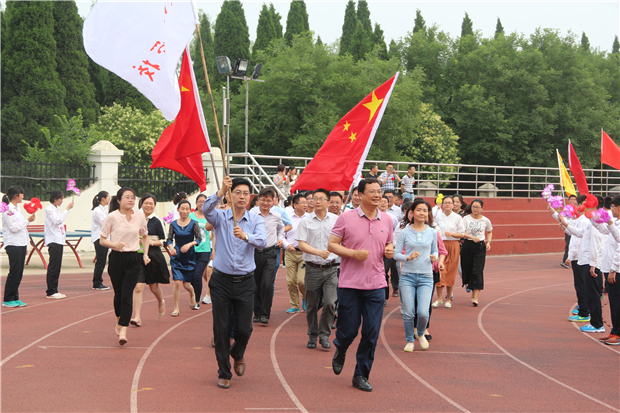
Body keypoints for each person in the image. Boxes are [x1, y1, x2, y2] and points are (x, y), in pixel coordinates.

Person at [328, 177, 394, 392]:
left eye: (379, 191)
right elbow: (332, 245)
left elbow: (389, 243)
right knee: (348, 330)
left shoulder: (387, 220)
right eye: (372, 191)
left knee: (371, 332)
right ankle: (341, 347)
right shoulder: (346, 218)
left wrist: (390, 249)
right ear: (360, 195)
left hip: (376, 283)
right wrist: (354, 253)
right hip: (350, 284)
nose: (377, 195)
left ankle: (361, 374)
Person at [202, 176, 266, 389]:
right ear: (231, 195)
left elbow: (263, 242)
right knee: (221, 329)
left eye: (246, 193)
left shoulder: (255, 219)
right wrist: (220, 191)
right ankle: (224, 372)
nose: (242, 196)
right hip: (221, 281)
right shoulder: (220, 216)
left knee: (244, 329)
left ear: (250, 198)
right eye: (237, 192)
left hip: (245, 282)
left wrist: (246, 236)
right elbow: (206, 210)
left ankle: (238, 353)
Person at [99, 187, 151, 346]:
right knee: (119, 295)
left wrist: (145, 254)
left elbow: (145, 236)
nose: (131, 200)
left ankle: (123, 330)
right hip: (116, 258)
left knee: (127, 294)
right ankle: (119, 320)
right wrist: (115, 244)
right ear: (119, 200)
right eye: (127, 197)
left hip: (133, 258)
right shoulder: (111, 217)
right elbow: (102, 240)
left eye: (133, 197)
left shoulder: (140, 216)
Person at [394, 198, 439, 352]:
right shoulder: (405, 232)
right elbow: (396, 254)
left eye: (425, 210)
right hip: (407, 276)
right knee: (409, 312)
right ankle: (409, 340)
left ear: (428, 213)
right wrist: (408, 257)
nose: (422, 213)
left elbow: (435, 250)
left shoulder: (432, 232)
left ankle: (420, 333)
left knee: (423, 313)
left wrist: (434, 257)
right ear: (412, 213)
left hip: (426, 277)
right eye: (419, 210)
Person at [297, 188, 340, 350]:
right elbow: (302, 244)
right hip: (312, 268)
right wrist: (318, 252)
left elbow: (343, 239)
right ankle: (312, 334)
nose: (317, 201)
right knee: (311, 305)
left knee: (329, 303)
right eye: (315, 198)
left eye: (321, 198)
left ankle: (324, 335)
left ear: (328, 202)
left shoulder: (336, 220)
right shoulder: (305, 221)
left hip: (331, 268)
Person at [558, 195, 605, 333]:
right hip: (585, 260)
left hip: (590, 262)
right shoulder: (591, 222)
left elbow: (596, 244)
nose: (583, 207)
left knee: (592, 294)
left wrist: (593, 264)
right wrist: (565, 224)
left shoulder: (596, 222)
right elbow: (579, 233)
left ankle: (597, 324)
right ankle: (595, 322)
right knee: (590, 293)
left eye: (586, 204)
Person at [550, 195, 590, 321]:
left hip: (580, 257)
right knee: (581, 285)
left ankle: (584, 311)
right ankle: (583, 308)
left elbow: (577, 237)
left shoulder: (584, 220)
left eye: (576, 204)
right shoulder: (581, 219)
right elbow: (571, 229)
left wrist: (570, 257)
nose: (575, 206)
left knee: (581, 285)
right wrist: (556, 214)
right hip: (579, 256)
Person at [130, 193, 168, 326]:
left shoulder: (157, 221)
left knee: (153, 287)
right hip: (137, 255)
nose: (148, 206)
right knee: (138, 286)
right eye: (146, 203)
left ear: (155, 205)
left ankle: (161, 301)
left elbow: (164, 241)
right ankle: (137, 317)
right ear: (141, 204)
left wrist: (149, 242)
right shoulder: (134, 218)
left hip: (153, 256)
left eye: (151, 203)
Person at [251, 187, 284, 324]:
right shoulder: (252, 214)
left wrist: (280, 238)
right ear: (258, 200)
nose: (265, 203)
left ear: (273, 201)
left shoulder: (276, 216)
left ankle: (265, 313)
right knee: (255, 284)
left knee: (267, 283)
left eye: (269, 200)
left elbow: (281, 228)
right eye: (263, 200)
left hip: (270, 253)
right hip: (254, 253)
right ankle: (257, 312)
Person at [2, 186, 36, 308]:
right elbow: (14, 228)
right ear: (16, 196)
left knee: (19, 273)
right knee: (14, 272)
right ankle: (8, 299)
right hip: (13, 244)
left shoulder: (17, 209)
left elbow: (23, 230)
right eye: (21, 194)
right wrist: (28, 220)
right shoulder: (8, 210)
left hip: (20, 244)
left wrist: (25, 244)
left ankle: (15, 297)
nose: (23, 196)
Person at [166, 200, 202, 317]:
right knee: (177, 282)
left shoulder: (194, 223)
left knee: (186, 285)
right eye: (182, 209)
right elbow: (169, 239)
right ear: (178, 210)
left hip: (189, 256)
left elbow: (199, 239)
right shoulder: (173, 224)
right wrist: (171, 247)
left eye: (187, 209)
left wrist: (189, 244)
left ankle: (192, 293)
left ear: (190, 210)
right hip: (177, 256)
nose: (185, 211)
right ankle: (176, 308)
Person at [433, 196, 465, 308]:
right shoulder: (438, 217)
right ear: (442, 204)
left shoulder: (458, 218)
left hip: (453, 245)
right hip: (441, 245)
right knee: (439, 271)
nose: (447, 204)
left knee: (451, 272)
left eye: (449, 203)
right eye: (445, 202)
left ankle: (448, 299)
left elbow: (462, 234)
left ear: (453, 205)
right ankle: (439, 298)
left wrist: (451, 234)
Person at [596, 195, 620, 345]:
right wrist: (593, 217)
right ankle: (614, 331)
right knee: (614, 302)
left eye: (613, 207)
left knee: (617, 302)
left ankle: (617, 333)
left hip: (616, 270)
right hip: (610, 267)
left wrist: (614, 269)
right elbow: (604, 229)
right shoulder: (616, 222)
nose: (611, 210)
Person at [461, 199, 493, 306]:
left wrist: (488, 242)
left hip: (480, 246)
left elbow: (489, 231)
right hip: (467, 245)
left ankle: (476, 298)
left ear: (482, 208)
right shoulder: (466, 219)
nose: (475, 209)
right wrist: (472, 237)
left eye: (477, 207)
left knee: (477, 271)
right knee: (468, 269)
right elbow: (462, 232)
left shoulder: (485, 220)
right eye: (473, 206)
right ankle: (471, 289)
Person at [44, 190, 74, 299]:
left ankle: (54, 289)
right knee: (53, 266)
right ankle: (51, 291)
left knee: (57, 267)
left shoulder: (55, 209)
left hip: (59, 240)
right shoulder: (49, 209)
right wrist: (67, 209)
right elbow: (57, 221)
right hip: (54, 241)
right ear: (55, 199)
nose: (62, 201)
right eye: (61, 199)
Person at [283, 193, 307, 314]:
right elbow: (281, 235)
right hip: (290, 253)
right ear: (295, 205)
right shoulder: (288, 218)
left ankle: (305, 298)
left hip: (305, 254)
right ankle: (294, 305)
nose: (305, 205)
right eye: (302, 203)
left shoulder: (309, 218)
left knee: (302, 281)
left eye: (306, 203)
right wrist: (287, 244)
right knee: (291, 281)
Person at [190, 194, 212, 309]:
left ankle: (196, 300)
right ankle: (193, 294)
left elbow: (214, 233)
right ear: (196, 203)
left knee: (198, 274)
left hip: (204, 250)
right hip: (191, 249)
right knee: (191, 276)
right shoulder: (190, 216)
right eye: (199, 201)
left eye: (204, 201)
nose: (201, 204)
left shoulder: (210, 216)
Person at [379, 195, 399, 300]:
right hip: (378, 249)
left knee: (393, 269)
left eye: (385, 202)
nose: (383, 203)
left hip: (389, 247)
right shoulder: (374, 216)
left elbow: (395, 232)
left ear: (388, 204)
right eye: (381, 201)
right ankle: (384, 295)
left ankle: (395, 287)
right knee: (383, 272)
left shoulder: (392, 218)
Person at [91, 191, 111, 291]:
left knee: (102, 261)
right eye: (108, 198)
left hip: (103, 238)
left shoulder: (102, 210)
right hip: (99, 238)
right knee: (100, 261)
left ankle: (98, 281)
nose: (109, 200)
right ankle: (97, 282)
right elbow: (104, 223)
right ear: (103, 198)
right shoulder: (97, 210)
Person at [561, 194, 578, 268]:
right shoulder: (567, 209)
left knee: (574, 244)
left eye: (574, 199)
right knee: (568, 244)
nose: (573, 201)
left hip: (576, 230)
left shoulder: (578, 208)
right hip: (568, 228)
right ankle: (565, 260)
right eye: (572, 199)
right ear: (569, 200)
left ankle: (572, 260)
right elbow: (563, 218)